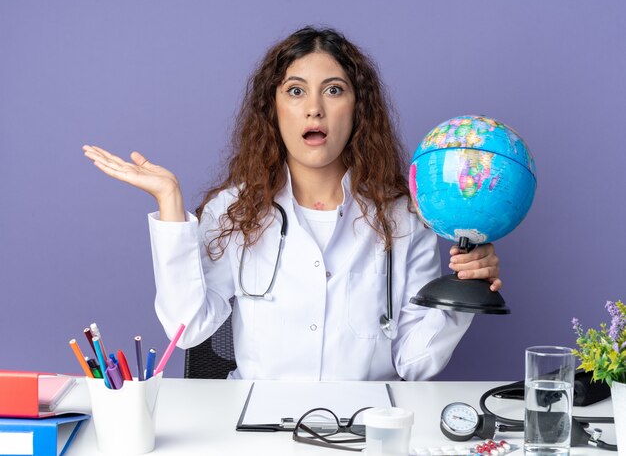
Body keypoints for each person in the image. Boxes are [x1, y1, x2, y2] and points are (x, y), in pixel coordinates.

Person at [83, 26, 501, 381]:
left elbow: (414, 362)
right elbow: (187, 328)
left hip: (366, 431)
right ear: (273, 109)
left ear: (358, 110)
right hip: (258, 428)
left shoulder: (405, 217)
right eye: (296, 91)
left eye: (333, 91)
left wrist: (463, 295)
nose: (314, 109)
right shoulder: (235, 211)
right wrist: (171, 205)